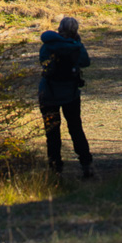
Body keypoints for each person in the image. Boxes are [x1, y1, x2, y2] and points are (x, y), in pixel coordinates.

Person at [38, 15, 93, 177]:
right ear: (75, 31)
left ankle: (55, 169)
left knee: (52, 132)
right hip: (71, 94)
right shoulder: (76, 46)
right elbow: (86, 62)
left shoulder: (48, 45)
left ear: (59, 29)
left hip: (48, 94)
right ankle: (86, 164)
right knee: (76, 129)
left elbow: (42, 61)